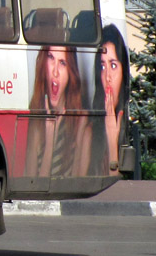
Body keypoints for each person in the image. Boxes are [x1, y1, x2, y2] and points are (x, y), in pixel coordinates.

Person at [24, 43, 86, 177]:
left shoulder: (80, 119)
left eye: (63, 63)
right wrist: (50, 139)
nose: (55, 71)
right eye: (51, 58)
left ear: (71, 72)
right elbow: (33, 187)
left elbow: (76, 184)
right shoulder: (35, 116)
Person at [88, 24, 130, 175]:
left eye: (113, 65)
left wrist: (113, 138)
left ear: (123, 69)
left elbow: (119, 187)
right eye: (102, 66)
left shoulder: (128, 120)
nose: (107, 77)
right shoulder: (89, 129)